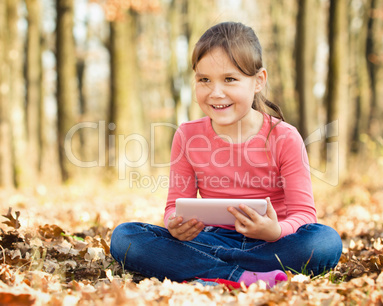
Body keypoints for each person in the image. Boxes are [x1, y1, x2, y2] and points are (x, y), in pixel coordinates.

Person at [110, 22, 342, 287]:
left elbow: (304, 214)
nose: (215, 92)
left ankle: (208, 271)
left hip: (272, 242)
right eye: (204, 80)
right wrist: (174, 224)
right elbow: (174, 205)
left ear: (258, 81)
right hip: (210, 238)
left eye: (230, 79)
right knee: (125, 236)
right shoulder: (187, 136)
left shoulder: (285, 137)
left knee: (325, 241)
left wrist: (275, 231)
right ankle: (244, 276)